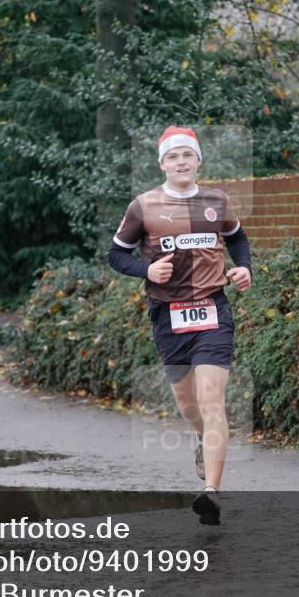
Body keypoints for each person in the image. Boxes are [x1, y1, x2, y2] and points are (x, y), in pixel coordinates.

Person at [107, 126, 252, 525]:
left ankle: (212, 493)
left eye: (187, 154)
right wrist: (147, 269)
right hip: (167, 316)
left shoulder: (216, 201)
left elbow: (238, 240)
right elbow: (116, 255)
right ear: (162, 164)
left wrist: (244, 269)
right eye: (173, 157)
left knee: (212, 399)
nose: (181, 161)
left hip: (212, 311)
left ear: (199, 160)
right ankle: (203, 440)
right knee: (189, 406)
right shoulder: (144, 206)